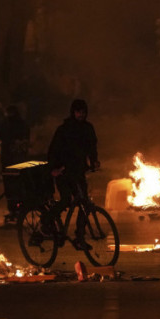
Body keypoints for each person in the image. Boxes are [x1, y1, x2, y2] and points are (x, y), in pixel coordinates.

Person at [47, 99, 100, 250]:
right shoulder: (64, 129)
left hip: (78, 172)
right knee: (65, 200)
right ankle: (45, 221)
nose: (81, 115)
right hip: (64, 172)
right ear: (73, 112)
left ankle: (79, 237)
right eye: (78, 112)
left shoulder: (88, 129)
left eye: (83, 112)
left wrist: (94, 161)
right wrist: (54, 169)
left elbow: (92, 147)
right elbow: (53, 150)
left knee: (85, 204)